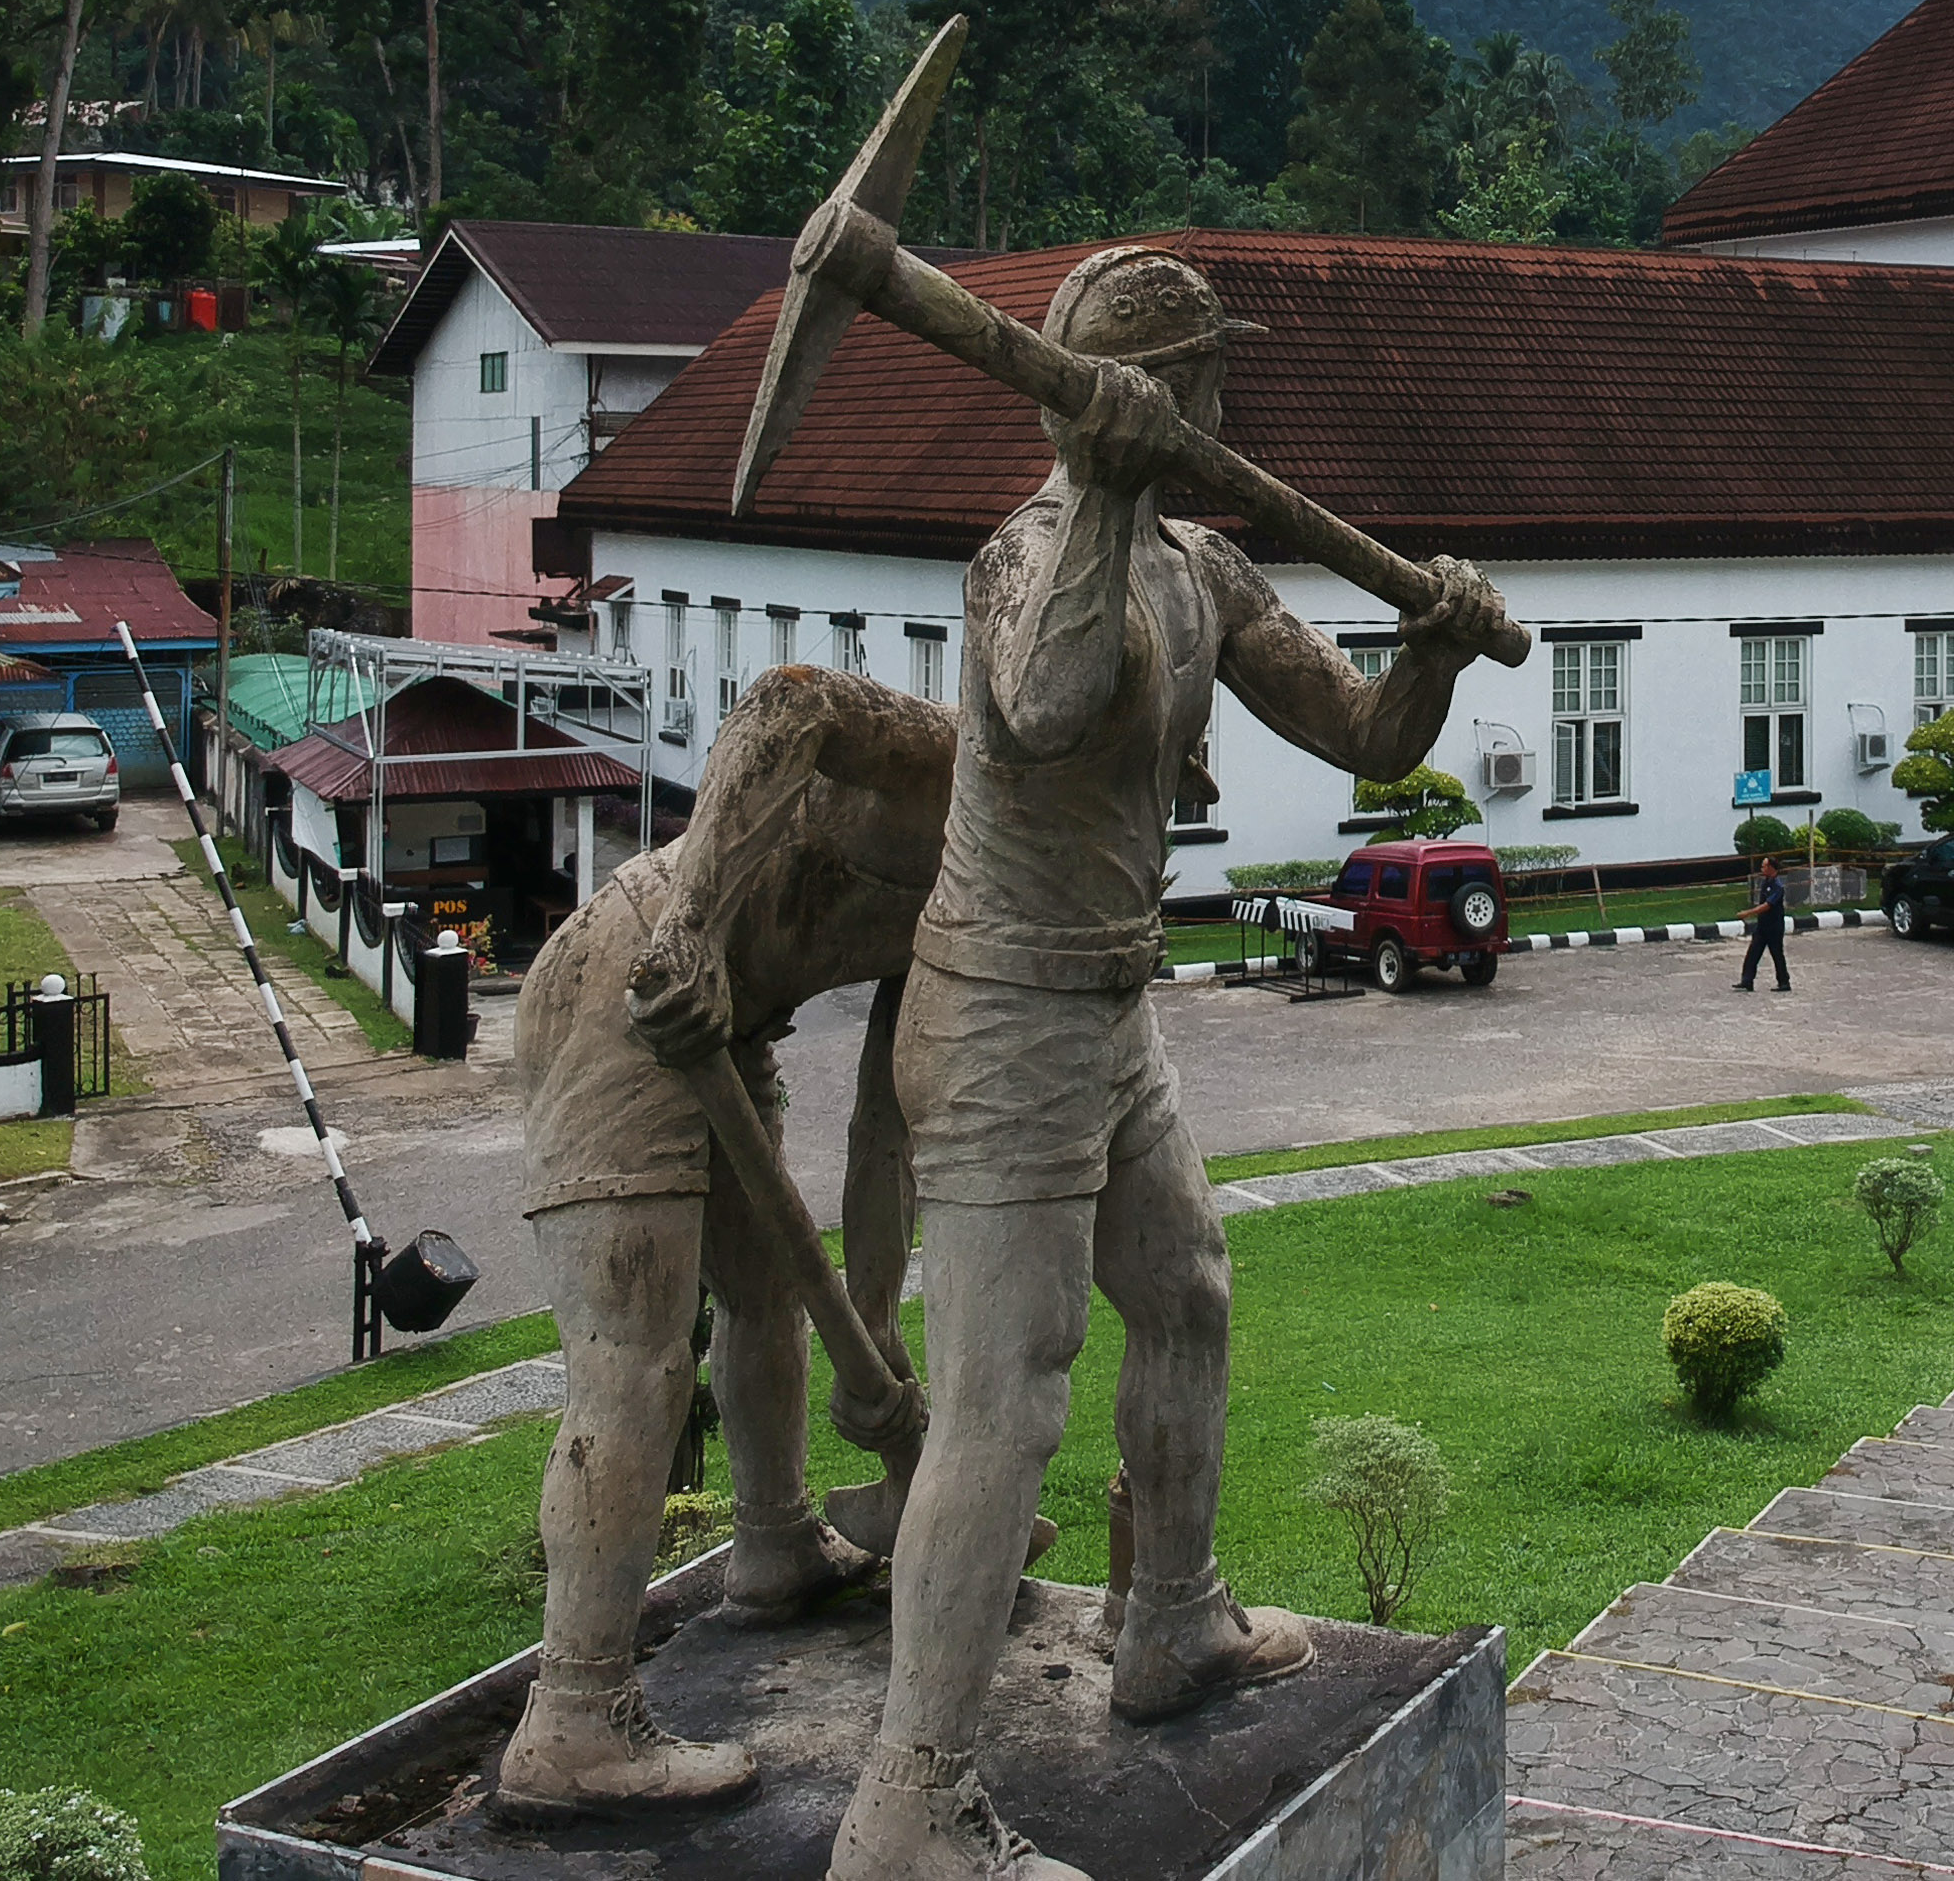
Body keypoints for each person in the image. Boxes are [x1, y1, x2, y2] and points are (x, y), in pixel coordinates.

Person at [823, 245, 1515, 1881]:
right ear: (1164, 389)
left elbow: (1358, 732)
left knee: (1189, 1290)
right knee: (1004, 1401)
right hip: (997, 1014)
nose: (1228, 405)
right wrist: (1111, 501)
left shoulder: (1206, 565)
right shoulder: (1026, 558)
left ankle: (1175, 1622)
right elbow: (1050, 709)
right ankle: (907, 1805)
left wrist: (1433, 636)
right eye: (1213, 378)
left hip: (1110, 1005)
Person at [494, 667, 951, 1820]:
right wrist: (692, 932)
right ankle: (576, 1720)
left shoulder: (1002, 878)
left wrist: (881, 1334)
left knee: (768, 1300)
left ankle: (776, 1539)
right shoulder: (954, 757)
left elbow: (882, 1118)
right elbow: (783, 705)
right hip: (633, 979)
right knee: (636, 1358)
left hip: (734, 1016)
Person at [1736, 853, 1793, 992]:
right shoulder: (1765, 882)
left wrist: (1748, 913)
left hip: (1774, 926)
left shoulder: (1777, 886)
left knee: (1777, 954)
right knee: (1753, 953)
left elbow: (1767, 905)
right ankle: (1747, 981)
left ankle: (1784, 982)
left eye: (1764, 865)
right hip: (1763, 925)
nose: (1762, 868)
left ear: (1772, 868)